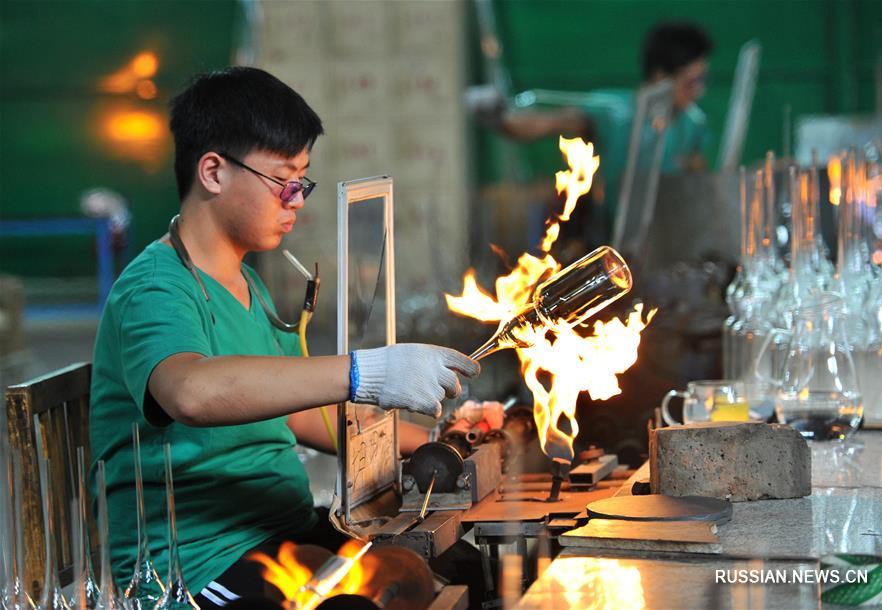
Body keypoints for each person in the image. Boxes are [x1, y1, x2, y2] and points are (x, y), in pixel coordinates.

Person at [89, 66, 481, 608]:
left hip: (283, 532)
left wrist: (442, 441)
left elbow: (292, 415)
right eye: (283, 180)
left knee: (450, 567)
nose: (296, 198)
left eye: (303, 180)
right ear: (213, 172)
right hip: (200, 563)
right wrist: (364, 372)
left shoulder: (246, 282)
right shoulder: (157, 288)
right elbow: (191, 393)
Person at [490, 22, 714, 244]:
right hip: (606, 242)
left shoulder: (692, 124)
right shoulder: (614, 112)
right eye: (692, 82)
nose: (699, 92)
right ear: (660, 76)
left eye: (703, 81)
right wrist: (497, 118)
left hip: (662, 245)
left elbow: (698, 183)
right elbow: (549, 123)